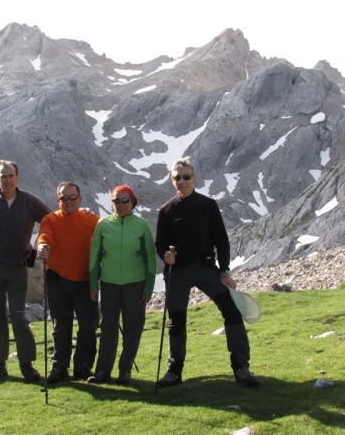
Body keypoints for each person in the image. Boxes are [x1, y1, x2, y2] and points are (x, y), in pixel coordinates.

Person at [154, 158, 259, 388]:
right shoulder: (166, 211)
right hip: (178, 272)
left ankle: (241, 367)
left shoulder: (208, 205)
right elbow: (160, 243)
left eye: (185, 177)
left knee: (231, 311)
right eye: (176, 178)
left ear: (194, 178)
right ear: (172, 181)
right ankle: (174, 370)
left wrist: (224, 271)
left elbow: (221, 239)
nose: (181, 181)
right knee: (177, 321)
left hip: (206, 269)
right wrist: (165, 255)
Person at [0, 160, 51, 383]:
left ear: (18, 177)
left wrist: (44, 243)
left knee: (19, 316)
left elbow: (50, 220)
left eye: (11, 175)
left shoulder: (29, 201)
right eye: (3, 176)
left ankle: (26, 363)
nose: (8, 180)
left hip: (18, 268)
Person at [87, 185, 156, 385]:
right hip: (108, 283)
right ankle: (102, 371)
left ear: (132, 201)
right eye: (116, 201)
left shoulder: (142, 225)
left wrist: (149, 286)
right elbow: (95, 255)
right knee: (108, 326)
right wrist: (94, 283)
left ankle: (125, 370)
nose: (121, 204)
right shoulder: (103, 224)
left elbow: (150, 257)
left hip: (136, 282)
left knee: (133, 327)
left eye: (125, 200)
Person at [36, 182, 100, 383]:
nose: (69, 201)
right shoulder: (50, 219)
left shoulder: (91, 219)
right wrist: (43, 246)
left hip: (85, 282)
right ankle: (59, 367)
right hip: (58, 281)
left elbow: (107, 232)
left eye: (73, 197)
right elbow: (45, 236)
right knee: (60, 326)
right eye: (64, 198)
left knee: (88, 326)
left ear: (80, 199)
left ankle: (82, 367)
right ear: (58, 200)